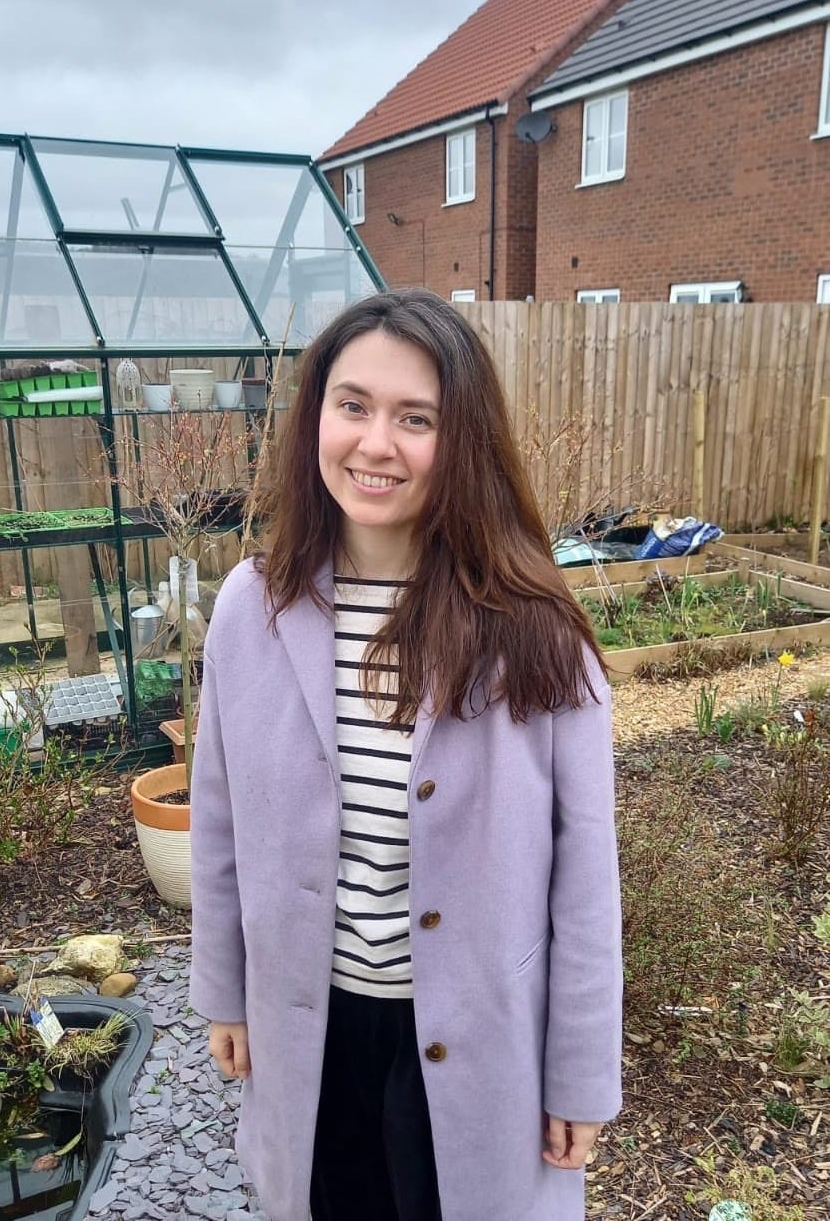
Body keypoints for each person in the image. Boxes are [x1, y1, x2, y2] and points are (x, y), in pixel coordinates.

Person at [188, 288, 622, 1221]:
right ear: (316, 418)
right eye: (352, 405)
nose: (374, 444)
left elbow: (585, 882)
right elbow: (217, 820)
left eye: (413, 418)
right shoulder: (249, 608)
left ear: (459, 438)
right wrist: (225, 991)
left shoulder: (536, 635)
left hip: (477, 1045)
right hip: (313, 1027)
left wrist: (580, 1076)